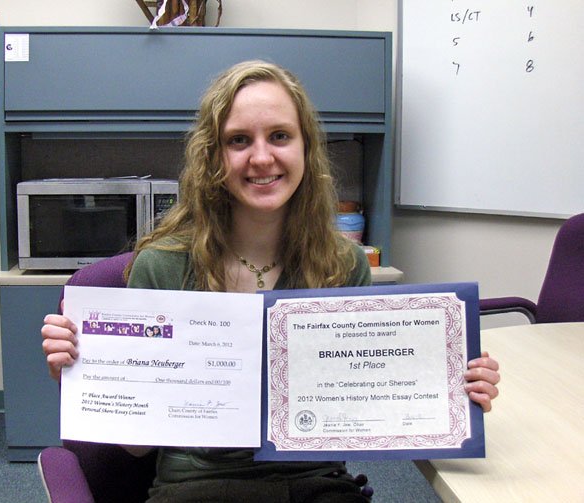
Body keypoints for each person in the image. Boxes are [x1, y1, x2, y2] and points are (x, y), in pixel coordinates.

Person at [42, 60, 500, 502]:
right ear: (213, 156)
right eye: (239, 140)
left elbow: (368, 405)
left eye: (279, 135)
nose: (262, 157)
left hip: (319, 484)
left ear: (305, 147)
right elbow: (136, 447)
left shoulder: (343, 264)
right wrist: (88, 377)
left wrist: (449, 387)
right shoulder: (162, 267)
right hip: (198, 488)